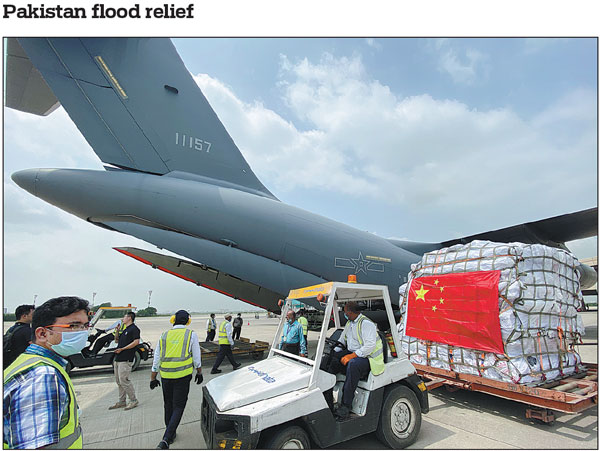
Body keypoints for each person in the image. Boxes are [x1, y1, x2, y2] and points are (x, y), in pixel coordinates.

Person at [4, 296, 89, 449]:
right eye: (74, 326)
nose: (82, 332)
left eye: (85, 326)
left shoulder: (30, 361)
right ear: (42, 334)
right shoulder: (42, 376)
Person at [150, 310, 203, 450]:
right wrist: (199, 372)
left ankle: (171, 433)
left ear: (173, 320)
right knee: (179, 406)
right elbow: (197, 357)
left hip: (166, 376)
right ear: (188, 321)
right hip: (182, 377)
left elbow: (157, 358)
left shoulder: (164, 335)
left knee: (168, 405)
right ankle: (166, 439)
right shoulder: (191, 334)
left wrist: (153, 377)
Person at [331, 301, 385, 421]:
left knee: (353, 365)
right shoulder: (350, 323)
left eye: (345, 312)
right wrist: (334, 352)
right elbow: (342, 340)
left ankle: (346, 405)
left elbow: (369, 346)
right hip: (354, 353)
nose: (345, 314)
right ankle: (328, 396)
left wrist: (352, 356)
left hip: (369, 358)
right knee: (331, 360)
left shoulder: (366, 324)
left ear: (350, 312)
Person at [108, 311, 140, 411]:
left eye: (124, 317)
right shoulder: (125, 329)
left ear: (130, 318)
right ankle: (122, 401)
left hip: (125, 359)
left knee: (124, 380)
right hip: (118, 358)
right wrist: (117, 331)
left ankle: (133, 400)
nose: (123, 319)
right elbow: (117, 340)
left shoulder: (134, 329)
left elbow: (136, 342)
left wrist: (123, 349)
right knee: (118, 381)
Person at [3, 304, 35, 369]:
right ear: (24, 316)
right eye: (33, 314)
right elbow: (37, 346)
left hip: (9, 363)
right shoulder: (26, 330)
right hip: (20, 363)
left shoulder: (12, 329)